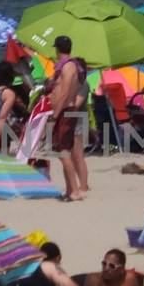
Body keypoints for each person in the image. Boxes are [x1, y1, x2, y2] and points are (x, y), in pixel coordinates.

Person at [48, 35, 88, 200]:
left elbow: (64, 93)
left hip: (65, 111)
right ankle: (70, 189)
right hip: (64, 111)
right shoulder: (65, 67)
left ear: (57, 49)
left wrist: (55, 114)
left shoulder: (69, 67)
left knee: (63, 152)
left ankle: (75, 191)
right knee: (62, 151)